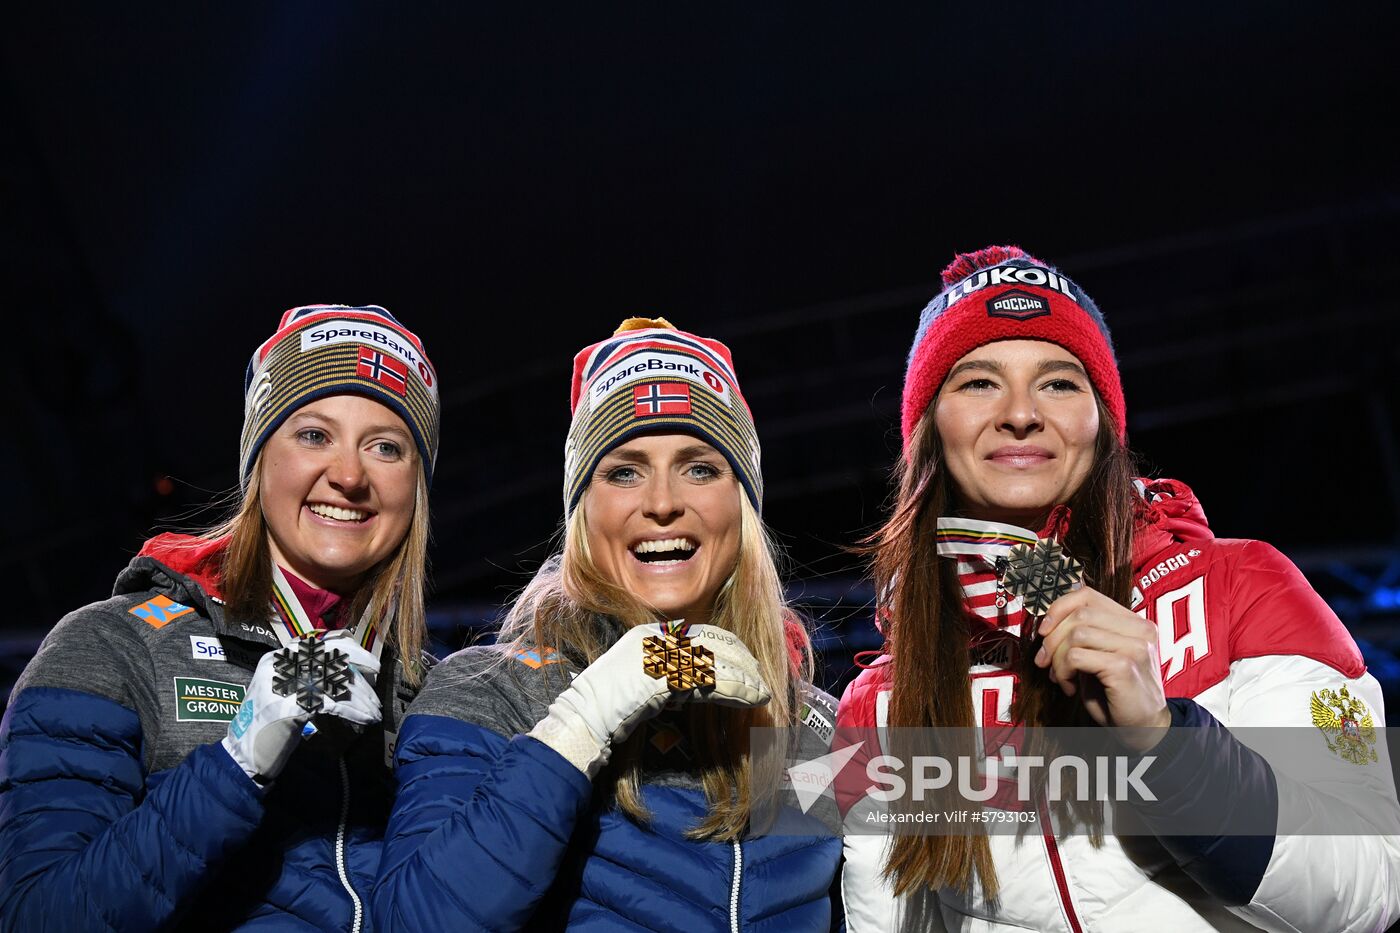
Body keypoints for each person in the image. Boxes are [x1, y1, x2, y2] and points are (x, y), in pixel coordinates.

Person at [835, 246, 1400, 932]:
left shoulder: (1240, 588)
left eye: (1060, 382)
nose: (1021, 412)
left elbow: (1368, 886)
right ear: (929, 428)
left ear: (1101, 420)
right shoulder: (883, 701)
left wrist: (1163, 742)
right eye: (979, 382)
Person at [373, 317, 843, 931]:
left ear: (743, 505)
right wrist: (583, 720)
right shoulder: (493, 692)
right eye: (624, 471)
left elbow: (986, 852)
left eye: (700, 467)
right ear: (583, 511)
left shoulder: (816, 726)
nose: (662, 502)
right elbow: (416, 920)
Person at [0, 305, 440, 931]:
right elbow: (36, 918)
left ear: (415, 489)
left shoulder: (435, 688)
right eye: (313, 435)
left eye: (387, 447)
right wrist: (240, 757)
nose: (348, 475)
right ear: (260, 460)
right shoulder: (111, 646)